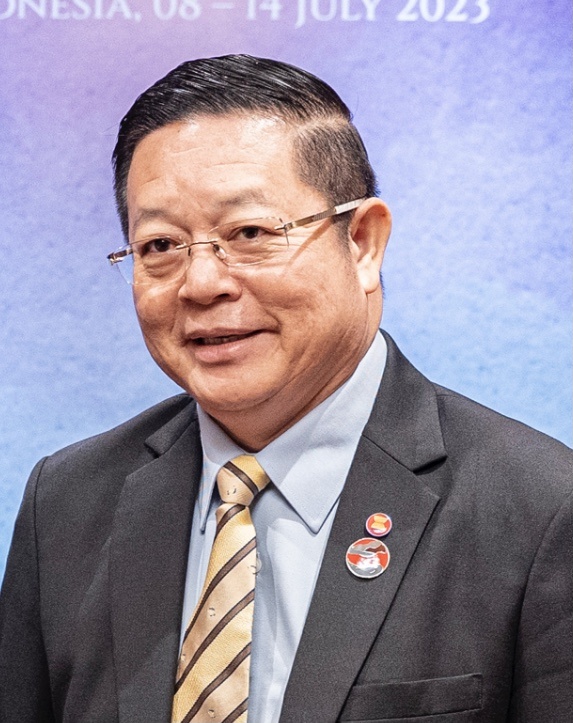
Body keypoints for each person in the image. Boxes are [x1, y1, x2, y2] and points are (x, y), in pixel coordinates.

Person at [0, 55, 571, 723]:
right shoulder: (67, 503)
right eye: (160, 245)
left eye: (249, 233)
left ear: (362, 242)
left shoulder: (539, 509)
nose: (201, 283)